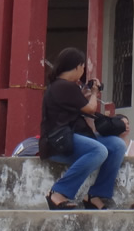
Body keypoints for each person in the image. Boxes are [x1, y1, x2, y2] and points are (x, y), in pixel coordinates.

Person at [42, 47, 127, 210]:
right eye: (82, 68)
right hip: (59, 143)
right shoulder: (63, 86)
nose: (82, 72)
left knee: (117, 146)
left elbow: (78, 105)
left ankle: (95, 195)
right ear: (76, 66)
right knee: (99, 151)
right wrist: (94, 92)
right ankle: (58, 192)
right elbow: (90, 109)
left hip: (71, 139)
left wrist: (85, 94)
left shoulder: (63, 87)